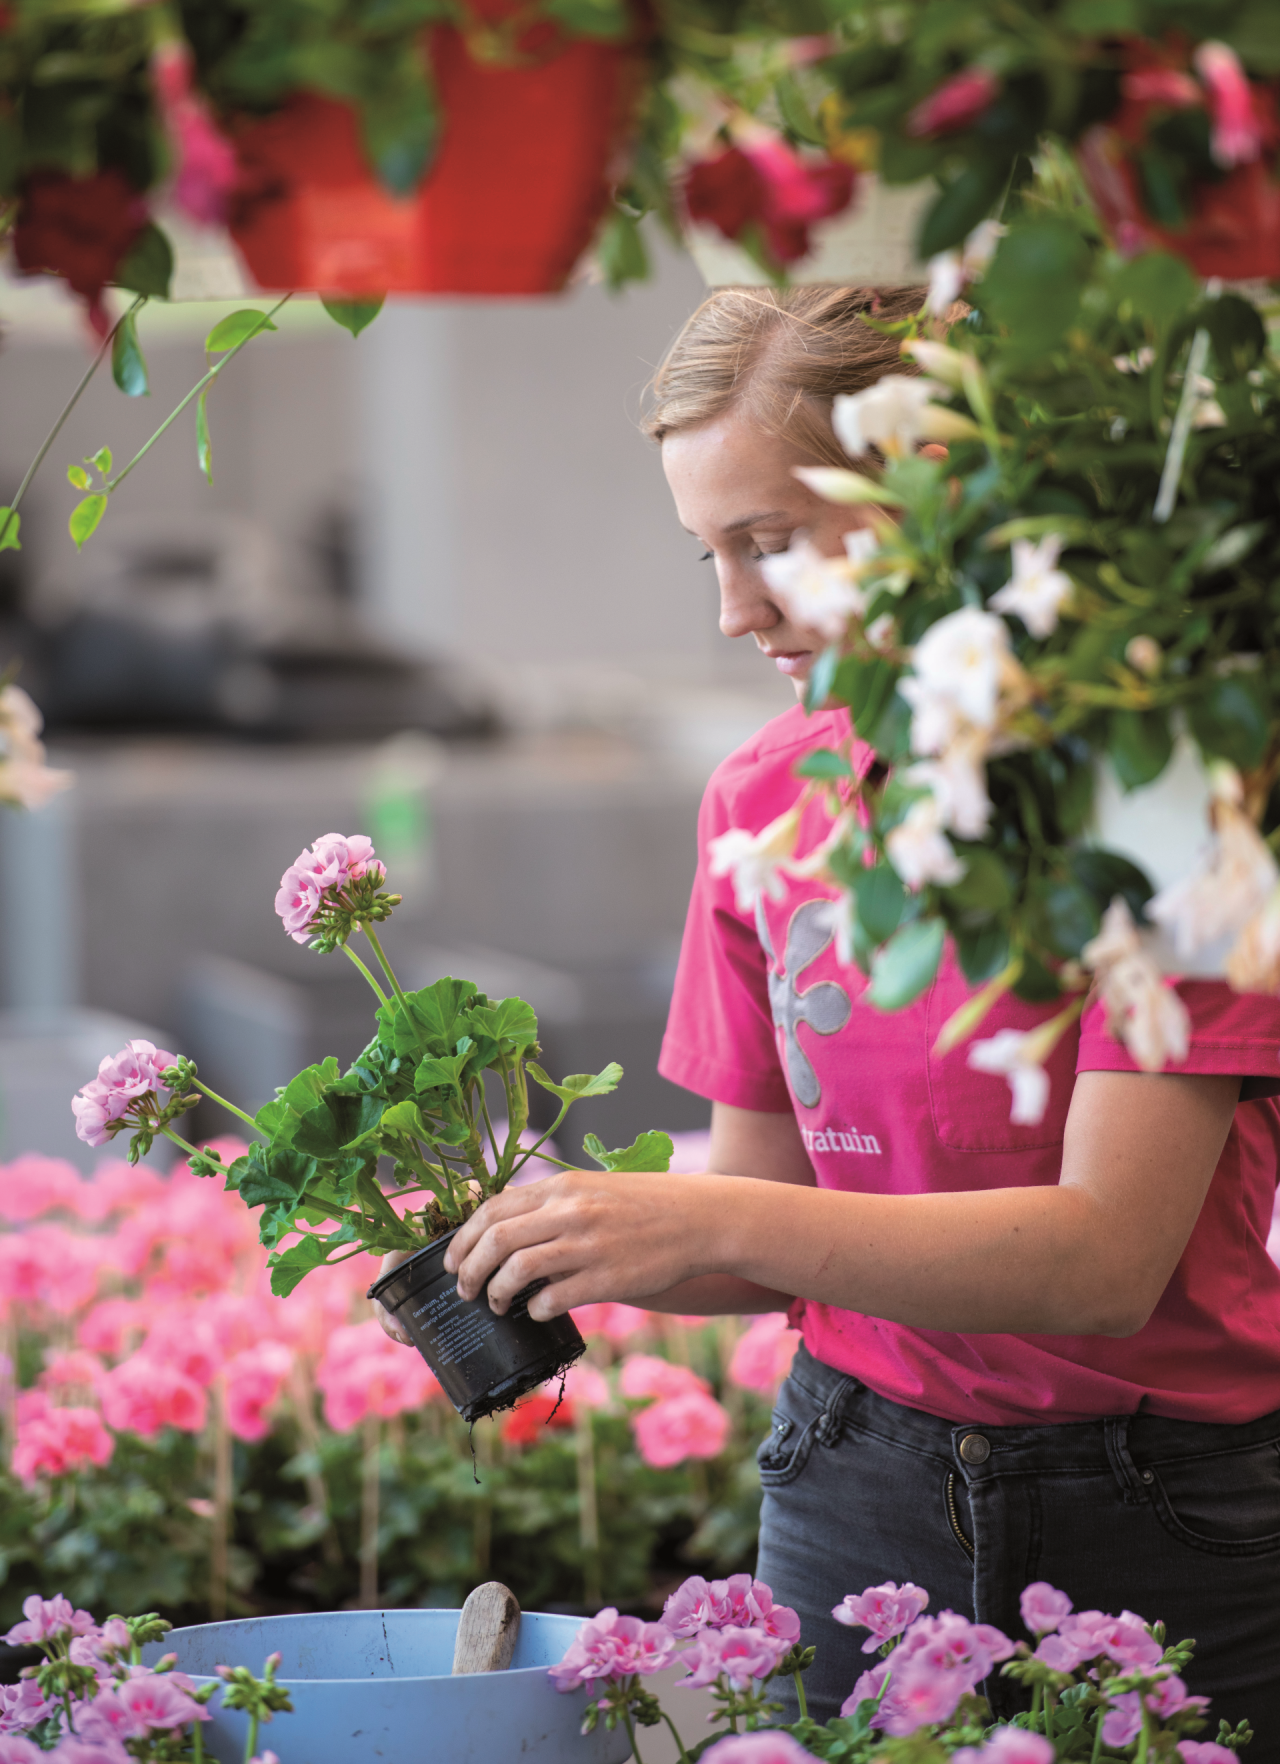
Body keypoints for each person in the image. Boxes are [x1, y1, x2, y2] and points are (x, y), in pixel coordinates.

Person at [379, 285, 1280, 1739]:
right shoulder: (761, 808)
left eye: (774, 541)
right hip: (853, 1486)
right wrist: (560, 1239)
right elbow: (758, 1202)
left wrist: (713, 1223)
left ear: (942, 499)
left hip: (1167, 1507)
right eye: (710, 555)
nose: (737, 612)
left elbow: (1109, 1260)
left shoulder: (1163, 798)